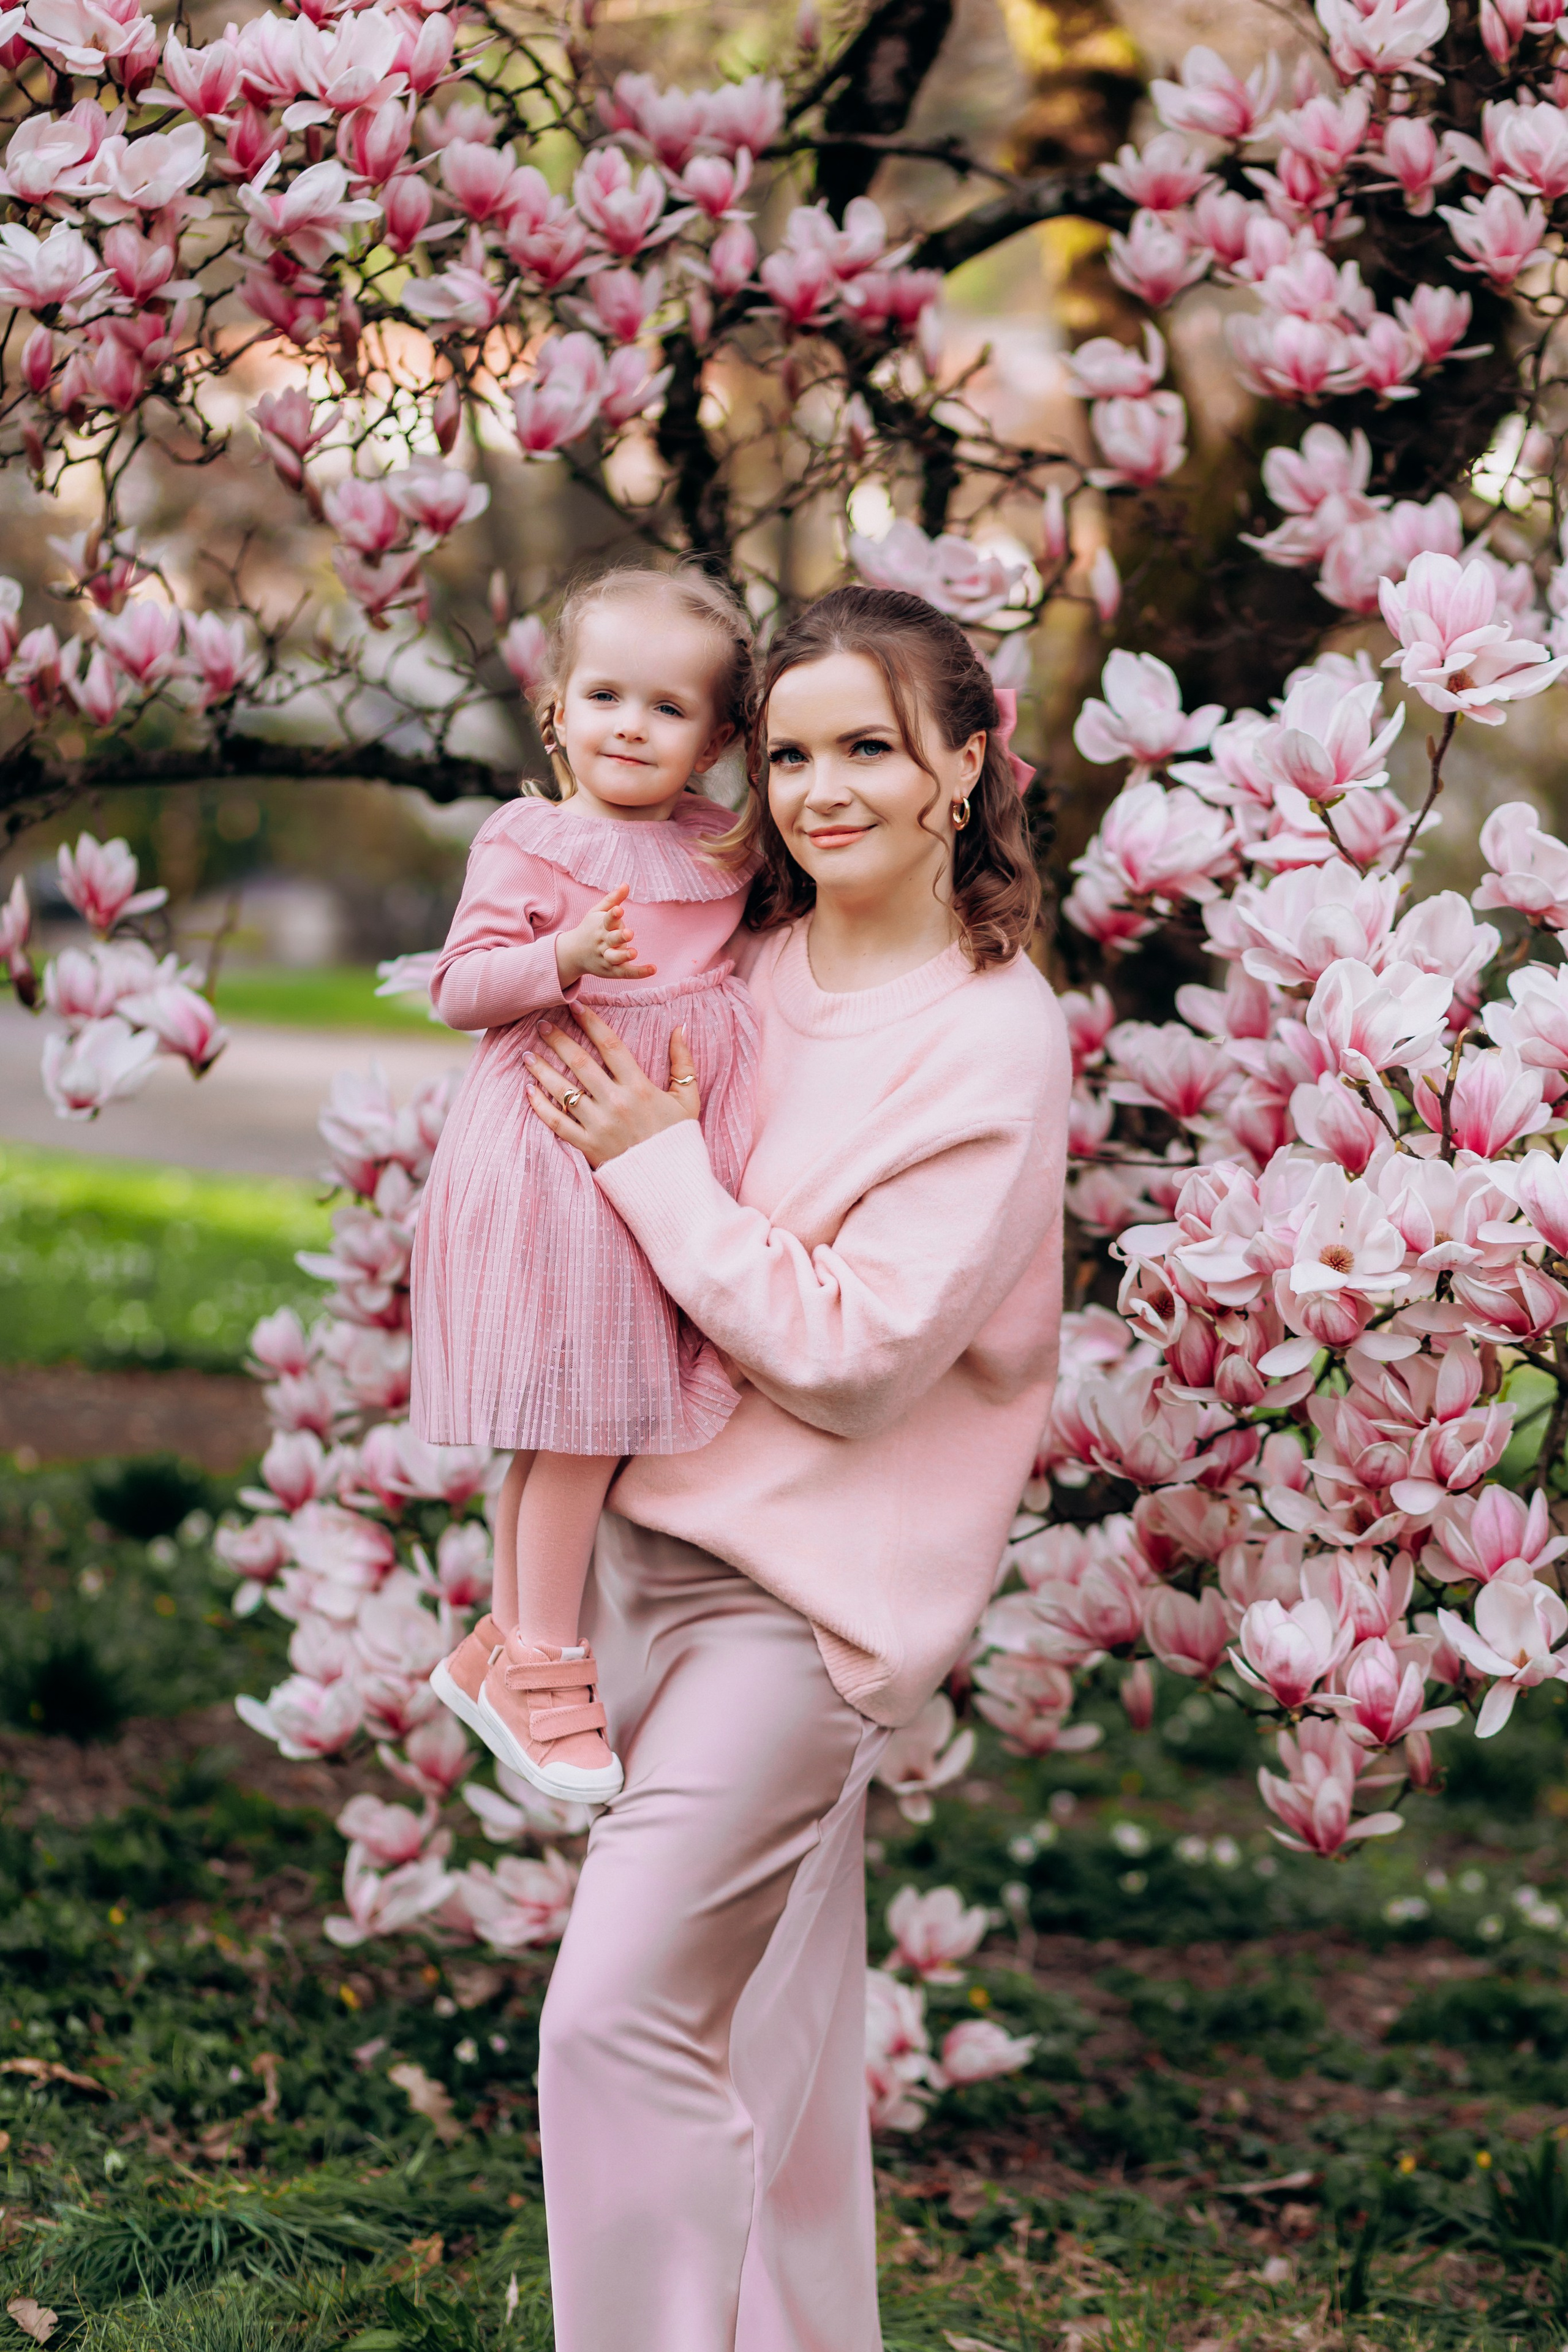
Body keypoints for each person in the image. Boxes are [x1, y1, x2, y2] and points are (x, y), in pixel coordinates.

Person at [522, 584, 1073, 2350]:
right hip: (646, 1562)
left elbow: (852, 1360)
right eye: (791, 753)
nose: (824, 789)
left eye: (870, 750)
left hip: (805, 1618)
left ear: (965, 764)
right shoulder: (742, 958)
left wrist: (660, 1168)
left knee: (615, 2020)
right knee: (774, 2041)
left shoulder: (992, 1035)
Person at [409, 565, 759, 1804]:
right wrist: (559, 956)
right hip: (557, 1150)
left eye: (666, 709)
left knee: (580, 1424)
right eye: (603, 693)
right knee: (578, 1423)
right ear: (555, 709)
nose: (628, 724)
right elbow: (458, 990)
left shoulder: (723, 842)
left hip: (664, 1147)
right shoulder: (529, 838)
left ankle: (505, 1645)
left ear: (716, 740)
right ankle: (546, 1664)